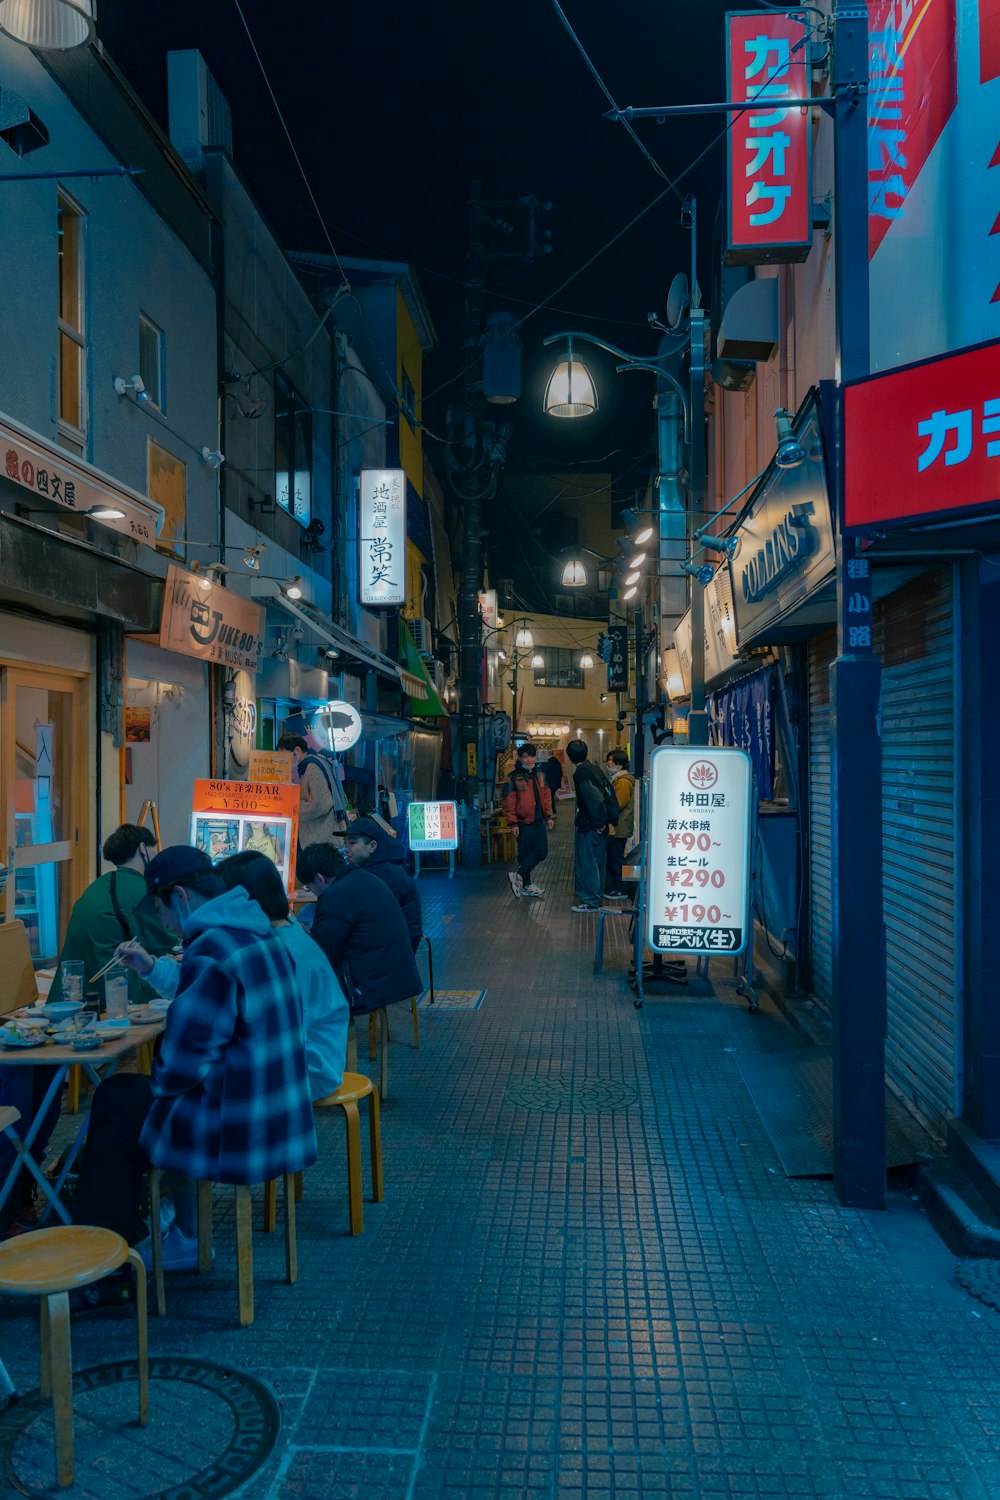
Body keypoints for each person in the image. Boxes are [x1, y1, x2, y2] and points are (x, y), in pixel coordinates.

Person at [72, 846, 317, 1288]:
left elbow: (181, 1068)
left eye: (164, 910)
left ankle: (105, 1270)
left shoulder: (210, 950)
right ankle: (172, 1233)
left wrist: (161, 1078)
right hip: (283, 1111)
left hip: (238, 1126)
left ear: (182, 898)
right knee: (129, 1100)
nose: (165, 923)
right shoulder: (260, 933)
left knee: (114, 1102)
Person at [116, 851, 349, 1105]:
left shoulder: (258, 947)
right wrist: (151, 967)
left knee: (120, 1097)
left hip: (300, 1071)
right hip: (287, 1066)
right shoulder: (274, 936)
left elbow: (180, 1067)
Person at [47, 823, 176, 1006]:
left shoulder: (98, 885)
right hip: (114, 991)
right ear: (143, 848)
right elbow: (165, 942)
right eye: (154, 850)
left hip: (74, 990)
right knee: (175, 979)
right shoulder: (139, 890)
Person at [298, 842, 421, 1015]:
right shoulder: (362, 876)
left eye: (308, 887)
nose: (311, 892)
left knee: (301, 989)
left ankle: (315, 1040)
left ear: (319, 878)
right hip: (394, 973)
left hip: (371, 983)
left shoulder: (334, 897)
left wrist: (302, 937)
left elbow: (321, 955)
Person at [340, 817, 423, 951]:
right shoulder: (373, 869)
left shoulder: (383, 876)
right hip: (389, 948)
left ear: (372, 846)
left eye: (352, 843)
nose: (346, 849)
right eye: (345, 843)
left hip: (393, 952)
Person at [500, 743, 555, 899]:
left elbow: (546, 795)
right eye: (525, 756)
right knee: (524, 854)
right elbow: (508, 801)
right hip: (523, 822)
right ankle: (526, 885)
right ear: (520, 758)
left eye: (532, 756)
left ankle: (518, 876)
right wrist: (513, 823)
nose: (529, 759)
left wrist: (549, 816)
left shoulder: (540, 774)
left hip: (538, 821)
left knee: (541, 852)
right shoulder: (513, 777)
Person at [277, 734, 347, 852]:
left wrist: (289, 806)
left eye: (283, 756)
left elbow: (320, 805)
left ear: (297, 751)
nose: (283, 761)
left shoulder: (313, 768)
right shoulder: (316, 762)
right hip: (324, 841)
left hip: (324, 842)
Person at [565, 738, 612, 913]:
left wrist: (597, 822)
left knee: (587, 862)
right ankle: (596, 896)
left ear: (569, 757)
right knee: (599, 861)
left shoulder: (581, 773)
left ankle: (590, 901)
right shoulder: (594, 768)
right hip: (602, 824)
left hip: (590, 825)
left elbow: (593, 798)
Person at [605, 748, 636, 901]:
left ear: (621, 764)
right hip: (617, 827)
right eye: (609, 760)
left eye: (613, 760)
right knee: (615, 858)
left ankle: (621, 888)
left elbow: (617, 804)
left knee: (616, 860)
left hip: (619, 827)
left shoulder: (623, 781)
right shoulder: (617, 779)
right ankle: (617, 887)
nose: (609, 763)